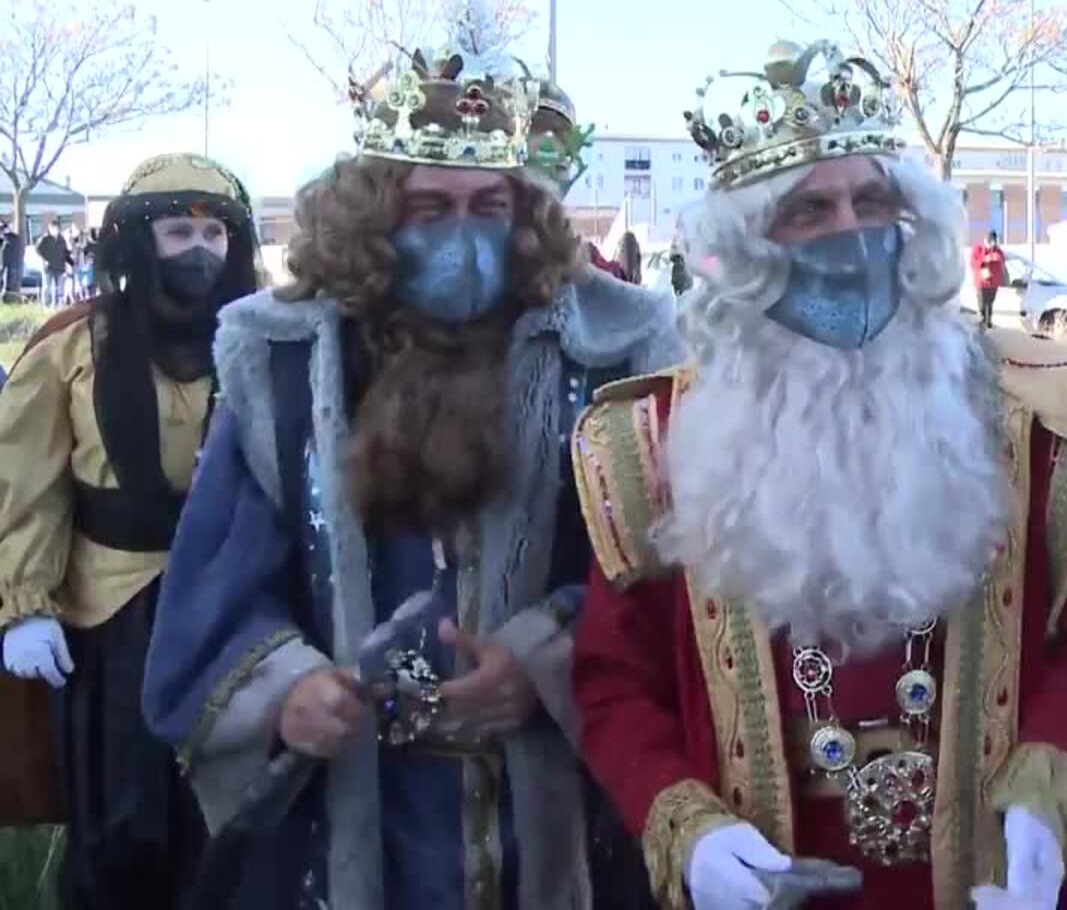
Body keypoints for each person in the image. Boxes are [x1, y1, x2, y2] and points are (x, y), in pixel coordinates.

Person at [570, 38, 1067, 910]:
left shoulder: (1034, 417)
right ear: (748, 249)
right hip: (769, 874)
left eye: (871, 200)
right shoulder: (653, 442)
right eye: (809, 211)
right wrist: (686, 830)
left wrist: (1052, 792)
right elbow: (612, 680)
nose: (850, 234)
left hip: (1000, 882)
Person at [141, 48, 682, 909]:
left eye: (488, 207)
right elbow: (218, 582)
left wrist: (548, 663)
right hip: (352, 813)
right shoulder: (286, 364)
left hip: (555, 817)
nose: (461, 232)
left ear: (526, 216)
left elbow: (663, 580)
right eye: (430, 206)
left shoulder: (612, 354)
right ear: (376, 217)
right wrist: (288, 693)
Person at [0, 153, 259, 907]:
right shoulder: (71, 345)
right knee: (121, 832)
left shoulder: (263, 340)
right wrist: (25, 604)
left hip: (233, 609)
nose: (201, 248)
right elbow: (27, 484)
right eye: (179, 231)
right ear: (136, 243)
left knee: (226, 829)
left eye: (214, 233)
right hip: (109, 615)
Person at [970, 229, 1008, 328]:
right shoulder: (978, 249)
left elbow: (1001, 260)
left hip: (993, 282)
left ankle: (988, 323)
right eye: (989, 241)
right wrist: (985, 259)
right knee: (982, 304)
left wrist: (996, 256)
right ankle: (982, 321)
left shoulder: (998, 251)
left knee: (989, 304)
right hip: (981, 283)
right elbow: (974, 263)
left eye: (993, 241)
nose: (991, 244)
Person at [37, 219, 70, 308]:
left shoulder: (62, 239)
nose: (54, 230)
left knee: (59, 286)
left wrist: (69, 263)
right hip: (48, 267)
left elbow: (65, 252)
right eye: (52, 228)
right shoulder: (44, 239)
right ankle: (45, 304)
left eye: (56, 228)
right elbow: (38, 250)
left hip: (60, 266)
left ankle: (58, 304)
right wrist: (45, 260)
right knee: (47, 286)